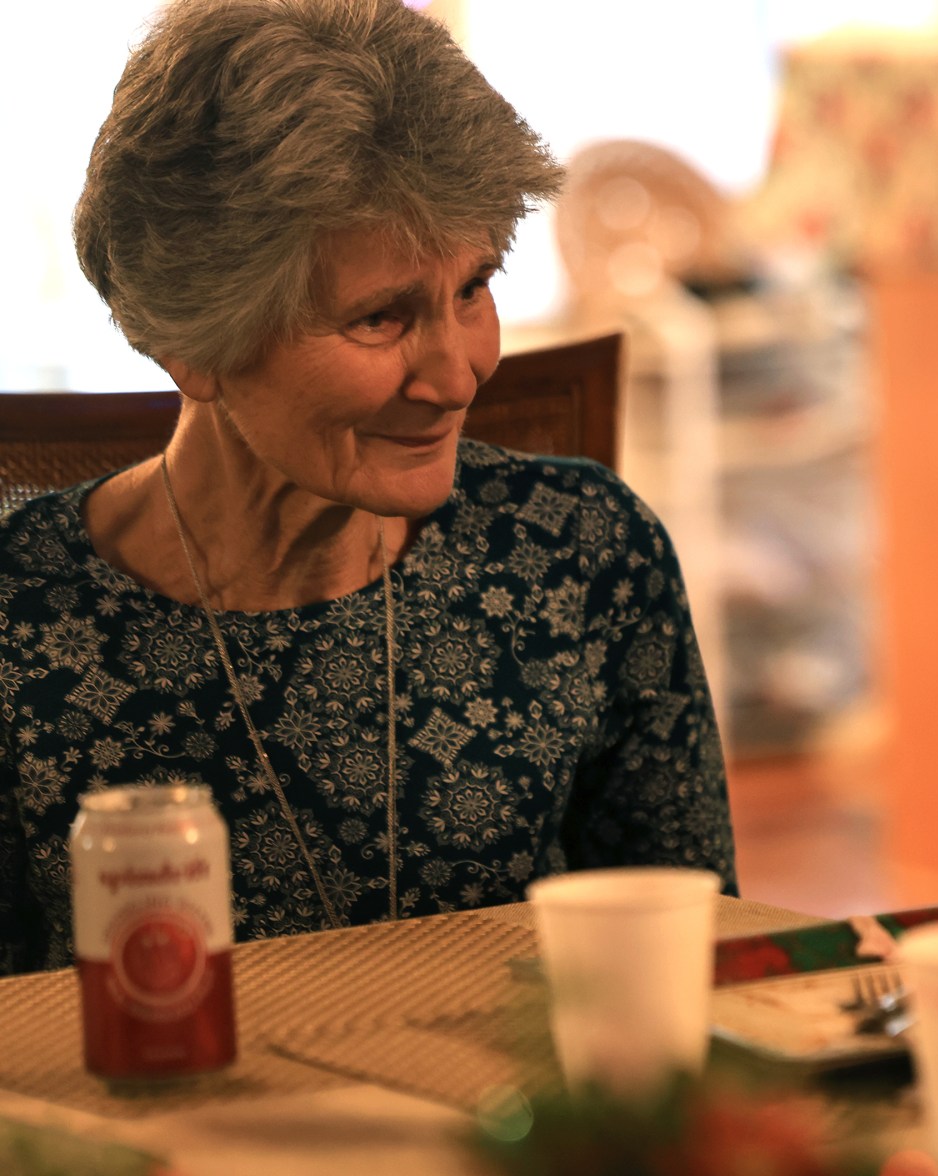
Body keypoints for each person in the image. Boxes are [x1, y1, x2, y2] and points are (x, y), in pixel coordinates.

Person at [0, 0, 736, 977]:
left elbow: (706, 971)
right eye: (382, 317)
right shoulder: (19, 618)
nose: (457, 375)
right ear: (194, 342)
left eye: (474, 287)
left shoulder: (583, 553)